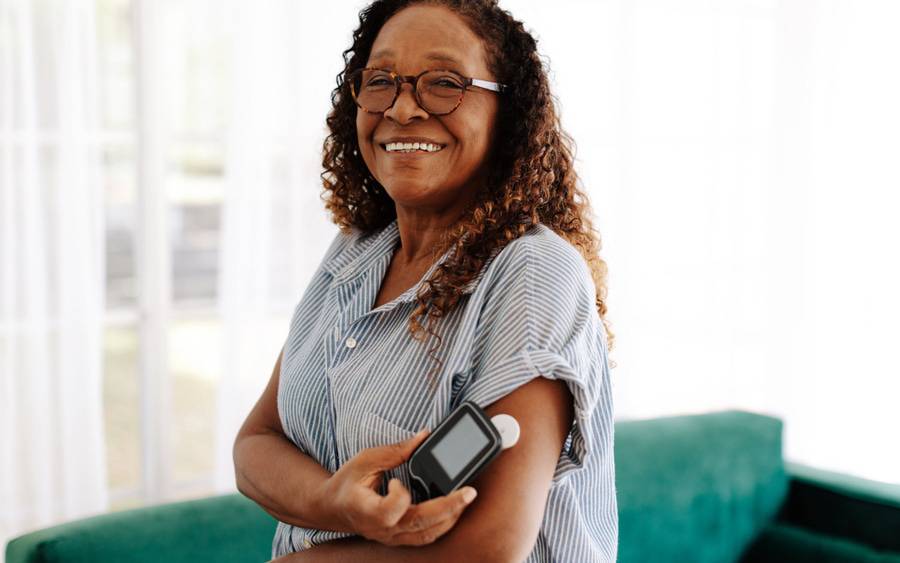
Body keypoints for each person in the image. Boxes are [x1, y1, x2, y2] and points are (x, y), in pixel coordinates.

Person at [232, 0, 618, 561]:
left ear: (506, 115)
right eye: (382, 80)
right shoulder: (356, 252)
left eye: (443, 83)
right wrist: (332, 500)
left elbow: (491, 545)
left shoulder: (532, 274)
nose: (403, 108)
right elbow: (256, 444)